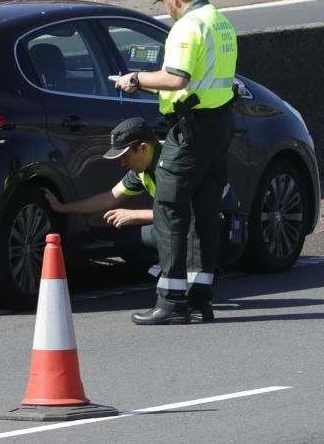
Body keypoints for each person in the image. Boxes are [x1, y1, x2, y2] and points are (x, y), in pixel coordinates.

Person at [112, 0, 238, 325]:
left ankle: (170, 301)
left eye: (165, 3)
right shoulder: (221, 22)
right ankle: (201, 299)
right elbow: (201, 79)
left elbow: (176, 78)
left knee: (168, 208)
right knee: (205, 212)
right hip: (219, 124)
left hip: (191, 129)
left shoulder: (186, 27)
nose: (167, 9)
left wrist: (135, 79)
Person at [41, 117, 216, 323]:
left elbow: (186, 212)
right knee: (128, 240)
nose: (122, 163)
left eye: (125, 156)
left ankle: (182, 293)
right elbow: (109, 197)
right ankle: (180, 285)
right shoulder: (144, 167)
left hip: (217, 232)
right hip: (190, 229)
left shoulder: (172, 164)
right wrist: (63, 208)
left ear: (143, 148)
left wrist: (134, 215)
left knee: (168, 231)